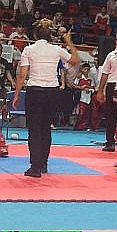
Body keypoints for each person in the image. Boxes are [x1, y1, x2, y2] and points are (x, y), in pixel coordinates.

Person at [13, 19, 81, 177]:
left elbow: (22, 75)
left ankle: (35, 167)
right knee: (45, 129)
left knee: (34, 130)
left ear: (35, 34)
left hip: (34, 91)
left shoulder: (29, 49)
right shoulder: (56, 49)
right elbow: (76, 60)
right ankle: (43, 163)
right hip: (52, 92)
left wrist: (16, 94)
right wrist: (69, 41)